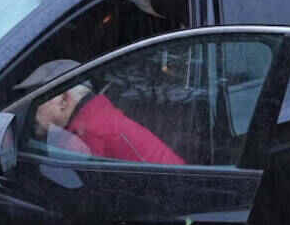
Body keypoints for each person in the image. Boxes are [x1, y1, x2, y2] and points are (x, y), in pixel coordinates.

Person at [16, 59, 185, 165]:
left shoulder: (88, 135)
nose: (30, 109)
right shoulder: (97, 119)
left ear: (63, 100)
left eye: (36, 101)